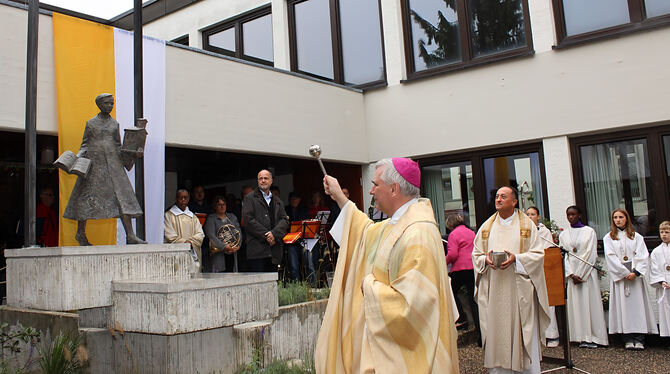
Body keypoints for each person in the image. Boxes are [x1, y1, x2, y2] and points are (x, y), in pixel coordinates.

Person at [315, 158, 459, 373]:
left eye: (375, 184)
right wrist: (339, 197)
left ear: (394, 189)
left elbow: (413, 306)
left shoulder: (418, 233)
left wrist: (369, 285)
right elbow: (364, 232)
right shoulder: (399, 223)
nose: (371, 191)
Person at [473, 186, 550, 374]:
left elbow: (538, 254)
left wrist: (518, 259)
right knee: (497, 332)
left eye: (503, 196)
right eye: (497, 196)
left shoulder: (526, 226)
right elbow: (476, 254)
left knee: (522, 330)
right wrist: (486, 260)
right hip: (494, 288)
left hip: (519, 290)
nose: (498, 200)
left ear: (514, 201)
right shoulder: (487, 226)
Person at [63, 93, 145, 245]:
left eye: (111, 103)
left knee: (122, 198)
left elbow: (118, 145)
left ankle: (130, 235)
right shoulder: (91, 123)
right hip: (94, 163)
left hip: (113, 164)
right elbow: (85, 144)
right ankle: (80, 233)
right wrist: (77, 158)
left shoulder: (114, 124)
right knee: (85, 197)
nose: (110, 106)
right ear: (99, 104)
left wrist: (133, 152)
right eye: (107, 103)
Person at [603, 208, 657, 350]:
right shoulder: (608, 237)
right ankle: (627, 337)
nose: (618, 220)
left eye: (621, 217)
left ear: (626, 218)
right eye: (615, 217)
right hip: (621, 278)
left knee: (637, 307)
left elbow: (642, 255)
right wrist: (623, 272)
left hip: (634, 278)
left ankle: (639, 338)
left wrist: (636, 272)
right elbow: (610, 257)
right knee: (623, 308)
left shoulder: (636, 237)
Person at [559, 206, 608, 348]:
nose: (570, 217)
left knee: (589, 303)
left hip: (586, 275)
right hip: (572, 274)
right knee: (576, 306)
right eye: (568, 215)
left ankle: (593, 337)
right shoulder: (564, 234)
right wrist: (571, 274)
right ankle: (578, 336)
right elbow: (564, 256)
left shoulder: (589, 232)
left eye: (573, 214)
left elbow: (590, 253)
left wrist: (581, 273)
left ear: (579, 215)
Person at [525, 206, 560, 348]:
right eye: (527, 214)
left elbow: (546, 250)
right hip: (528, 269)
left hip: (544, 269)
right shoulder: (523, 231)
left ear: (538, 216)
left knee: (548, 302)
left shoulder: (544, 232)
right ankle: (536, 336)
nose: (530, 217)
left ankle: (551, 335)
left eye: (532, 214)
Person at [242, 170, 289, 272]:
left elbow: (284, 220)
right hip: (257, 252)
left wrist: (274, 234)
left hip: (274, 252)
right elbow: (248, 220)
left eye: (266, 178)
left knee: (272, 285)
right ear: (258, 181)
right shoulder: (249, 198)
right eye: (260, 178)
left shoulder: (278, 201)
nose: (263, 181)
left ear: (271, 181)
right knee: (258, 285)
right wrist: (267, 236)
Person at [445, 213, 480, 342]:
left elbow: (453, 254)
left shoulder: (453, 235)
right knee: (473, 300)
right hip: (472, 268)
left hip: (459, 269)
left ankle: (461, 317)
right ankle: (480, 333)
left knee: (450, 291)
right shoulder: (471, 232)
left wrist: (443, 262)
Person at [164, 189, 205, 270]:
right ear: (176, 199)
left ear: (189, 199)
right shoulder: (168, 215)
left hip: (192, 251)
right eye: (180, 197)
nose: (183, 200)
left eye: (185, 198)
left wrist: (191, 242)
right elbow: (169, 234)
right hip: (176, 255)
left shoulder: (193, 216)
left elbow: (200, 234)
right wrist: (184, 242)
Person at [203, 196, 240, 273]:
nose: (222, 206)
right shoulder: (211, 218)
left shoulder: (232, 217)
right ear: (215, 206)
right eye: (219, 205)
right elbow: (211, 236)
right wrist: (224, 246)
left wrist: (237, 245)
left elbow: (238, 232)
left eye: (224, 204)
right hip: (219, 253)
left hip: (232, 252)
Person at [649, 220, 670, 337]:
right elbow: (654, 269)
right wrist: (662, 281)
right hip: (664, 286)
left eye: (667, 232)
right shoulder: (656, 251)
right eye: (661, 232)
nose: (664, 234)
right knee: (666, 310)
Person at [285, 192, 310, 281]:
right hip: (291, 242)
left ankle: (311, 285)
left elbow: (308, 225)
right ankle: (297, 287)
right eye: (292, 199)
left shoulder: (304, 209)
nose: (294, 200)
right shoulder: (285, 209)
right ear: (289, 200)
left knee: (308, 265)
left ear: (299, 200)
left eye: (296, 199)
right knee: (293, 266)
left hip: (303, 241)